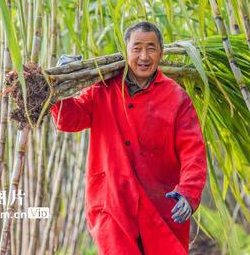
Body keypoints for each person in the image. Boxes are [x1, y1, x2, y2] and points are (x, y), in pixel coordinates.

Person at [50, 21, 207, 254]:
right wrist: (59, 83)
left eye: (151, 48)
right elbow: (69, 120)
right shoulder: (102, 88)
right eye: (137, 48)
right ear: (126, 51)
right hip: (112, 202)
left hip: (162, 206)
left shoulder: (176, 98)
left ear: (161, 53)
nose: (144, 56)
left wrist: (189, 192)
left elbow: (193, 151)